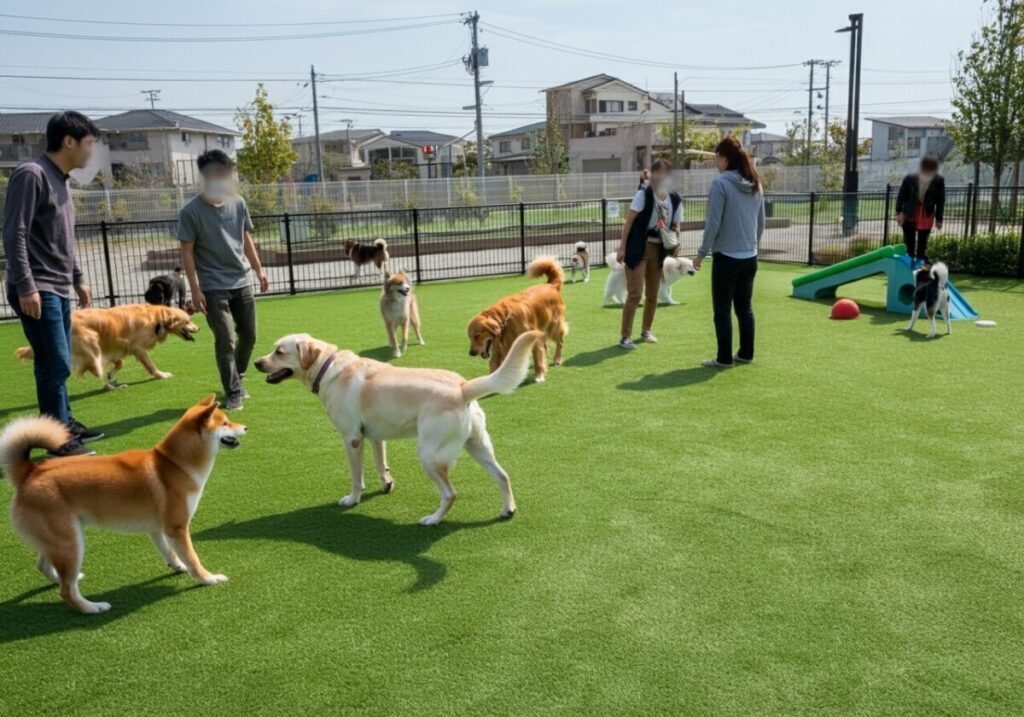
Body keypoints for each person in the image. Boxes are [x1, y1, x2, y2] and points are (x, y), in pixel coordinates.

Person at [3, 111, 103, 457]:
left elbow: (64, 238)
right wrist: (26, 284)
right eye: (89, 144)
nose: (92, 152)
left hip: (57, 287)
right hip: (37, 287)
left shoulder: (61, 179)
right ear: (69, 141)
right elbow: (14, 232)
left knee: (57, 361)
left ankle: (64, 424)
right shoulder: (32, 174)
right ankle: (57, 441)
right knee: (54, 362)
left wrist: (77, 278)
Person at [178, 150, 269, 410]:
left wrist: (258, 269)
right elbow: (186, 250)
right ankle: (233, 391)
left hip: (241, 279)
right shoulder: (191, 212)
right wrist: (195, 290)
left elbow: (245, 236)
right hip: (213, 286)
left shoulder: (238, 202)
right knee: (226, 339)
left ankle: (237, 377)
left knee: (249, 335)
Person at [694, 136, 765, 368]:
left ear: (724, 158)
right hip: (750, 256)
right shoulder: (755, 182)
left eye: (716, 155)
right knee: (744, 308)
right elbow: (761, 221)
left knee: (722, 310)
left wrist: (701, 253)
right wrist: (752, 245)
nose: (714, 159)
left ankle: (724, 358)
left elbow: (712, 223)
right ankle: (746, 353)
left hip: (727, 257)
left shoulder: (720, 184)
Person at [615, 159, 682, 349]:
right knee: (635, 293)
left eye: (665, 173)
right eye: (658, 173)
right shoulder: (643, 195)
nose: (661, 177)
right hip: (639, 247)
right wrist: (622, 247)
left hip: (659, 248)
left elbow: (676, 224)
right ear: (652, 175)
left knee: (653, 294)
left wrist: (676, 242)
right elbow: (628, 222)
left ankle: (646, 331)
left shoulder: (675, 199)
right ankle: (625, 336)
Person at [896, 155, 945, 264]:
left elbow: (940, 200)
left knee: (923, 241)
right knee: (909, 241)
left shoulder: (938, 180)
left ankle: (920, 261)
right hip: (909, 211)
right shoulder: (910, 178)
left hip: (926, 212)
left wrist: (939, 219)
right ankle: (909, 262)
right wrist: (898, 212)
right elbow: (901, 195)